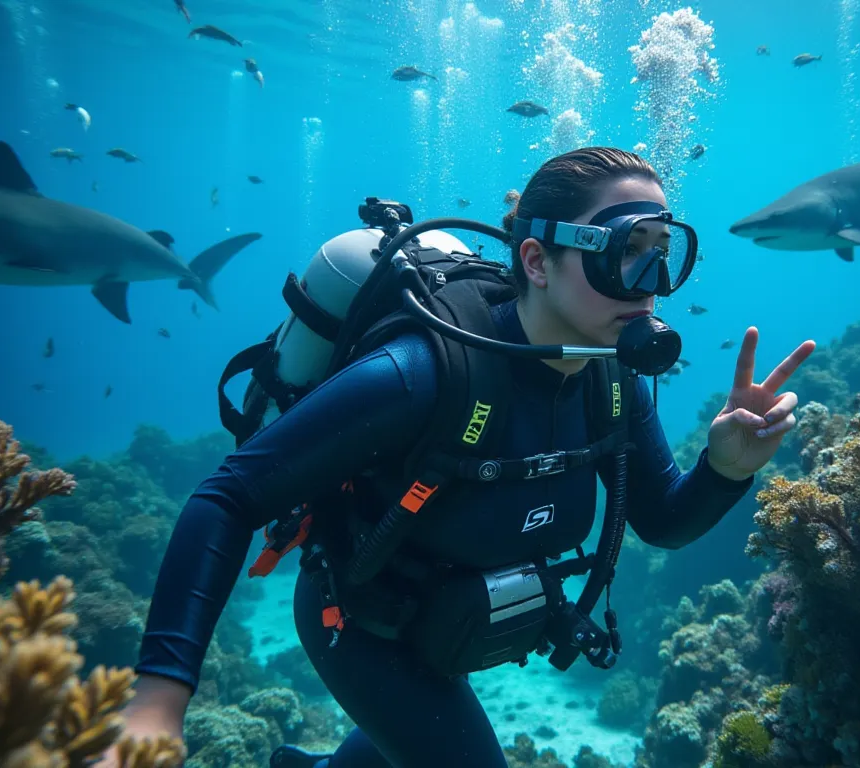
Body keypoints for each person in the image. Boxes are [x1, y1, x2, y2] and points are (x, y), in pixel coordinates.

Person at [97, 147, 814, 768]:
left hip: (467, 623)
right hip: (365, 626)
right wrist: (158, 700)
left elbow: (661, 521)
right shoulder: (426, 372)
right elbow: (228, 497)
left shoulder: (612, 377)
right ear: (537, 259)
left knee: (406, 740)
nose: (651, 281)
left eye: (664, 250)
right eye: (624, 249)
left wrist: (727, 467)